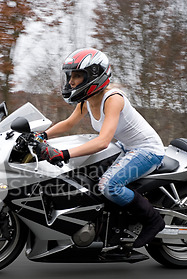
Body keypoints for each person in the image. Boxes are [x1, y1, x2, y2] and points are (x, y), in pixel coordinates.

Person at [36, 48, 165, 248]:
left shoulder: (113, 99)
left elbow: (102, 141)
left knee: (108, 186)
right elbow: (68, 123)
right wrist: (41, 135)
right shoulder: (87, 100)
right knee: (87, 176)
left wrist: (63, 154)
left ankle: (153, 220)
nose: (71, 81)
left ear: (95, 75)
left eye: (77, 75)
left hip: (146, 150)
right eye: (70, 75)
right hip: (125, 146)